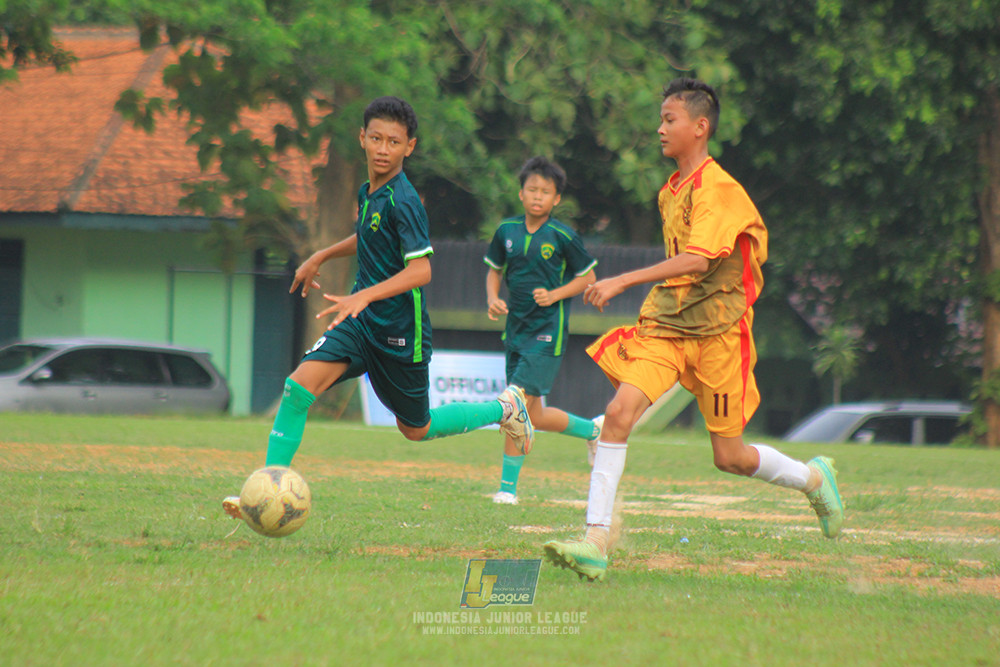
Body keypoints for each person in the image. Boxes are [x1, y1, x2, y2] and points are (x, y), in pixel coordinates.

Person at [542, 78, 844, 582]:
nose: (660, 129)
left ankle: (814, 478)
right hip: (668, 328)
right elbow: (683, 269)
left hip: (720, 336)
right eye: (661, 119)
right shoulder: (670, 191)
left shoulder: (720, 190)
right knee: (617, 415)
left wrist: (622, 279)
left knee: (730, 457)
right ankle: (596, 540)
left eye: (669, 119)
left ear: (700, 127)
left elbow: (700, 261)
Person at [223, 96, 533, 521]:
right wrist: (321, 256)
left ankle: (506, 409)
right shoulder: (368, 192)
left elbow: (421, 269)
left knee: (416, 428)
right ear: (362, 139)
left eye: (394, 141)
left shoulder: (405, 200)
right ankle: (265, 492)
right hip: (360, 322)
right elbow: (368, 236)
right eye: (376, 139)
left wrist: (366, 294)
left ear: (410, 146)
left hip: (400, 333)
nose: (384, 149)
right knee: (298, 389)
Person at [483, 156, 601, 505]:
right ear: (521, 194)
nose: (538, 196)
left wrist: (555, 295)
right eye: (532, 189)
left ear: (556, 199)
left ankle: (507, 490)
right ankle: (594, 431)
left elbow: (588, 277)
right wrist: (492, 298)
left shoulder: (563, 235)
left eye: (545, 192)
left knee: (515, 404)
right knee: (533, 415)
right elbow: (494, 270)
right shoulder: (506, 231)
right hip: (515, 330)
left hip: (549, 330)